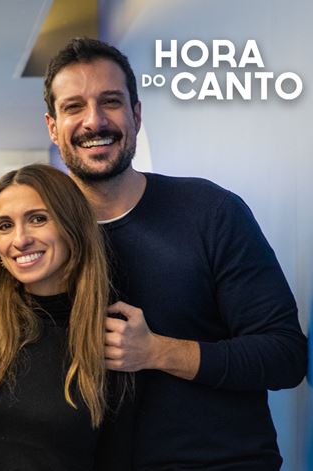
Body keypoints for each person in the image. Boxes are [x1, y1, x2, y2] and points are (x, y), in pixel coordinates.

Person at [43, 37, 308, 469]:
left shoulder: (209, 211)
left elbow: (284, 355)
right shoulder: (43, 240)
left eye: (110, 101)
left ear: (137, 114)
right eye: (74, 107)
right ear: (53, 126)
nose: (94, 121)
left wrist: (156, 351)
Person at [0, 164, 131, 470]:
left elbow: (116, 460)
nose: (20, 239)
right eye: (4, 225)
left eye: (38, 219)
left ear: (73, 226)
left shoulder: (112, 337)